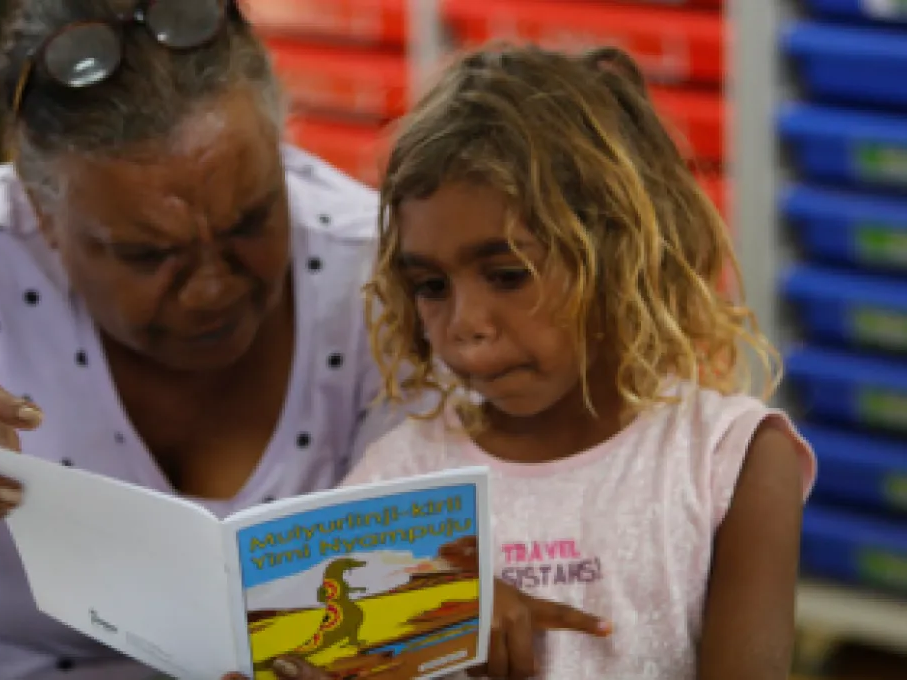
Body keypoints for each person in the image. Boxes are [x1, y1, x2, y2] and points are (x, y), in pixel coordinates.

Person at [0, 3, 601, 679]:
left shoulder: (372, 274)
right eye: (148, 254)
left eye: (252, 222)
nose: (213, 286)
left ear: (282, 149)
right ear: (42, 217)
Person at [329, 44, 815, 679]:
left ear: (619, 257)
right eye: (431, 287)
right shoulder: (392, 483)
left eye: (508, 275)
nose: (465, 327)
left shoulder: (729, 464)